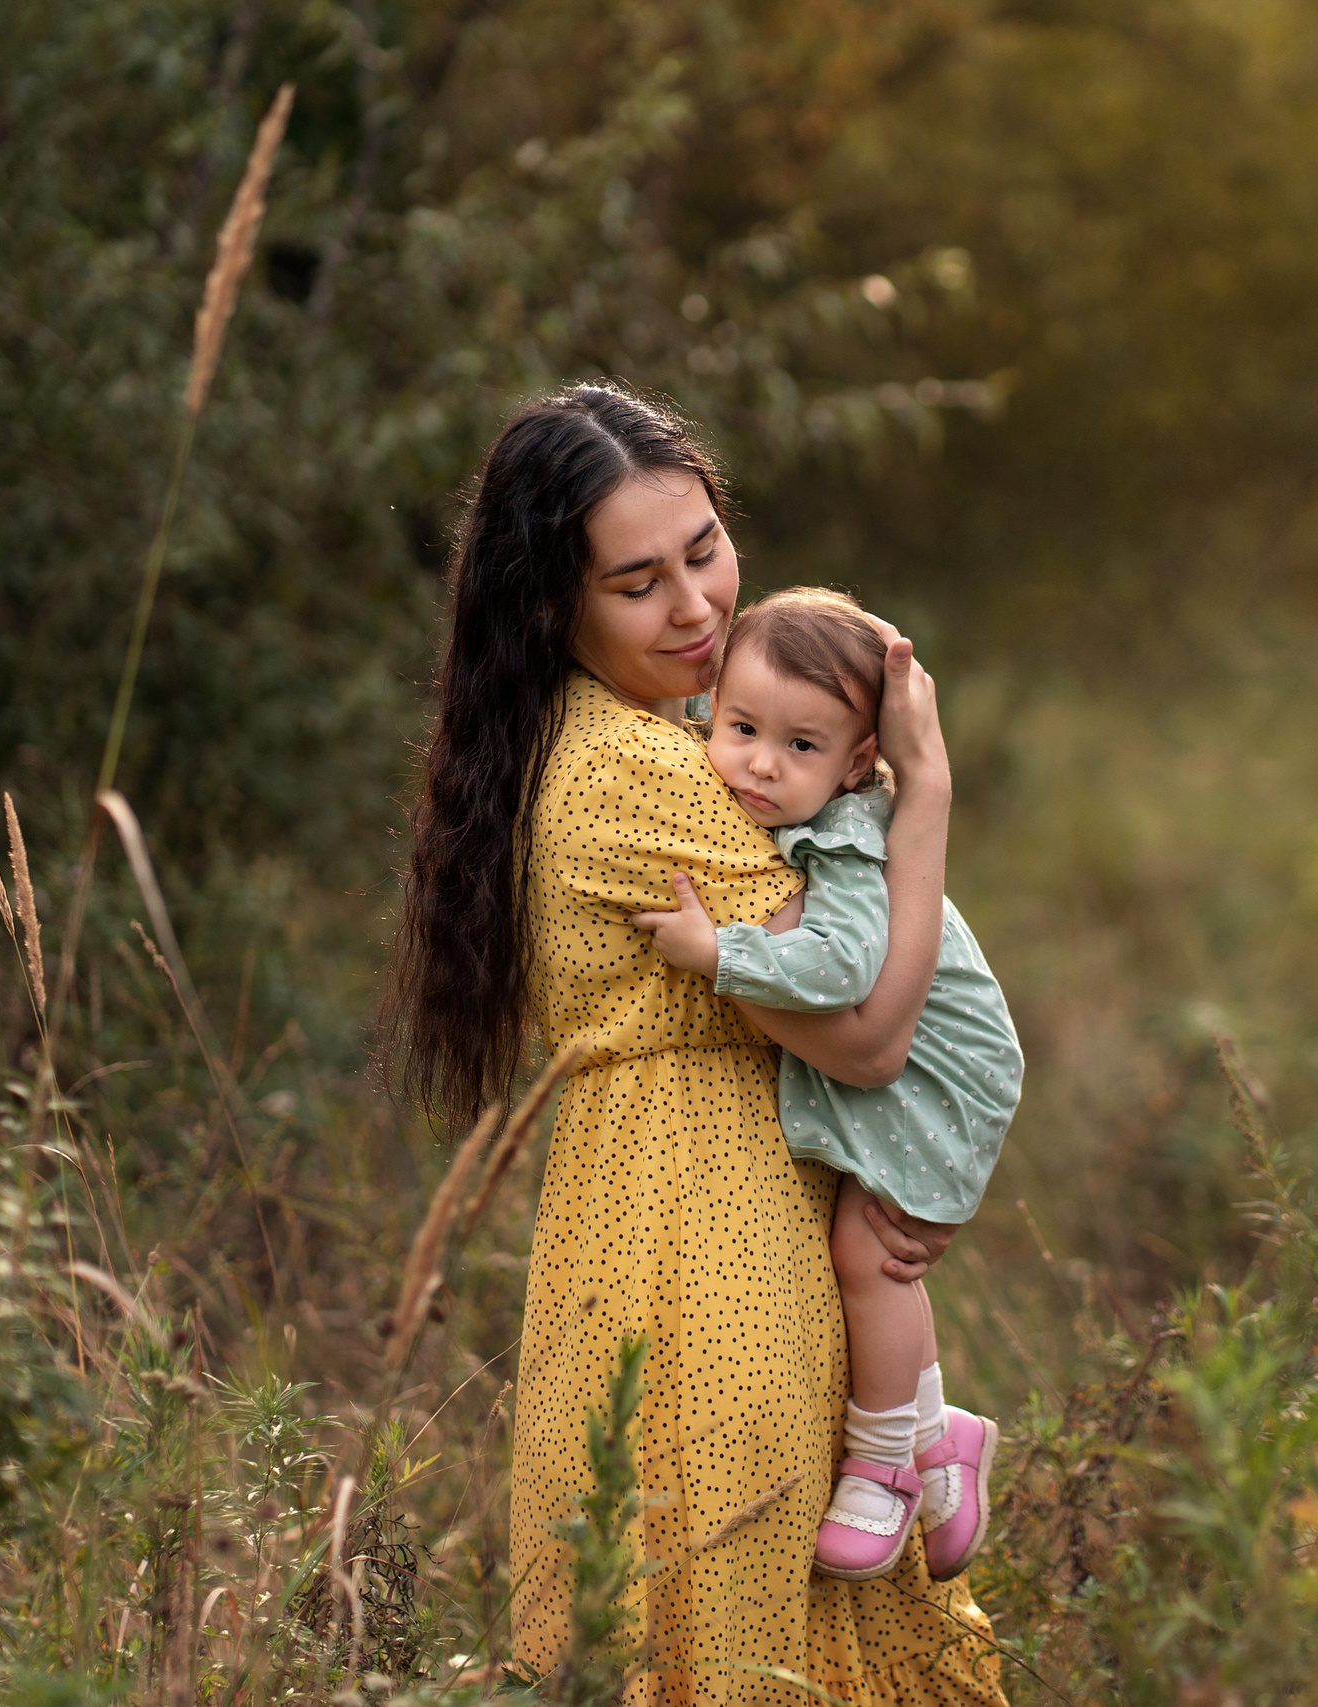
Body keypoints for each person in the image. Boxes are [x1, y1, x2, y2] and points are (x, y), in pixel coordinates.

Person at [385, 382, 1006, 1701]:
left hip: (642, 1215)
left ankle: (931, 1435)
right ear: (555, 603)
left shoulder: (610, 738)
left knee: (687, 1613)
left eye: (705, 549)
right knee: (740, 1618)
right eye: (636, 581)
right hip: (714, 1236)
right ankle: (934, 1437)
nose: (695, 606)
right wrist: (930, 788)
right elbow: (873, 1033)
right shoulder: (640, 772)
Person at [630, 587, 1020, 1583]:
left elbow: (846, 972)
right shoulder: (774, 792)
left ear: (855, 764)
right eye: (742, 728)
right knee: (869, 1236)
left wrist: (717, 953)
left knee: (870, 1248)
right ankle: (940, 1440)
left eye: (800, 747)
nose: (759, 763)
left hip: (947, 1067)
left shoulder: (846, 838)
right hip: (935, 1050)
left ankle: (884, 1466)